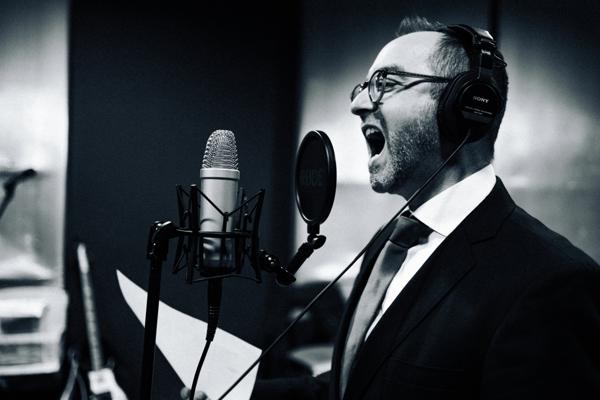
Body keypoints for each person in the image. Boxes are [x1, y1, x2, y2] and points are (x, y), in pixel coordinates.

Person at [249, 15, 600, 400]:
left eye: (386, 83)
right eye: (363, 87)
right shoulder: (391, 241)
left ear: (467, 106)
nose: (358, 104)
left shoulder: (551, 281)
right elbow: (354, 387)